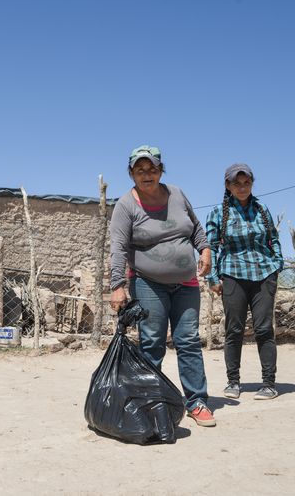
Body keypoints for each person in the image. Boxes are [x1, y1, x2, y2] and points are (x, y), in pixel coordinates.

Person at [109, 145, 215, 427]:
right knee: (152, 343)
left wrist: (205, 250)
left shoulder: (177, 194)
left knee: (189, 341)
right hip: (148, 283)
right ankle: (150, 403)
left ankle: (197, 402)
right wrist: (117, 285)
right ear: (131, 173)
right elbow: (118, 248)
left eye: (152, 169)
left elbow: (195, 228)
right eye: (140, 170)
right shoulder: (125, 205)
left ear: (161, 170)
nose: (147, 174)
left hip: (187, 283)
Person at [205, 163, 284, 400]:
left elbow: (274, 239)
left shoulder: (262, 209)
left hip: (263, 274)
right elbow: (211, 247)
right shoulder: (218, 212)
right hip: (232, 274)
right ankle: (233, 382)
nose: (242, 187)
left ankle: (269, 383)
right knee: (234, 329)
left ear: (252, 183)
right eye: (236, 183)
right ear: (228, 185)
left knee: (263, 329)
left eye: (246, 183)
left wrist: (277, 263)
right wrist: (212, 277)